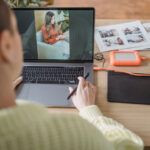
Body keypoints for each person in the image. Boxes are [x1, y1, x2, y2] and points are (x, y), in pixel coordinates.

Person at [0, 1, 144, 150]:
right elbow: (130, 146)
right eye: (16, 33)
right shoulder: (72, 132)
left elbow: (59, 36)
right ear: (6, 46)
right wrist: (89, 109)